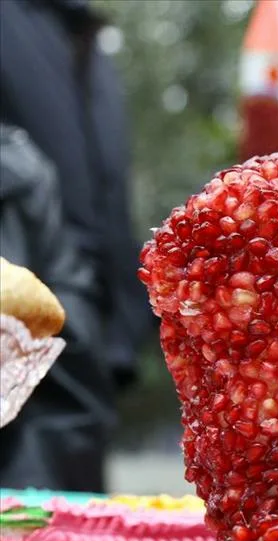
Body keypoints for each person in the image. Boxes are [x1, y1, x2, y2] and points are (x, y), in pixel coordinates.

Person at [0, 0, 152, 490]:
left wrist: (128, 317)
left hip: (82, 313)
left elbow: (106, 191)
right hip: (23, 283)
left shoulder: (88, 38)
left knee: (70, 526)